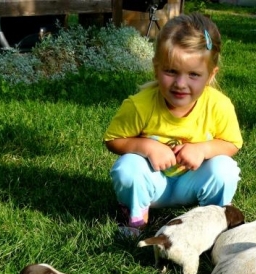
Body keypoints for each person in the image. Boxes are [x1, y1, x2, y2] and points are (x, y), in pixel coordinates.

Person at [103, 12, 243, 236]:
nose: (180, 83)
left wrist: (203, 149)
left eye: (194, 75)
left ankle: (214, 218)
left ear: (209, 75)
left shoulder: (218, 105)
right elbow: (113, 140)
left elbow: (232, 144)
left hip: (193, 184)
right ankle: (136, 215)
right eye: (170, 71)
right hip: (152, 184)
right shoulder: (140, 105)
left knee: (225, 169)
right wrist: (147, 147)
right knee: (128, 167)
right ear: (156, 67)